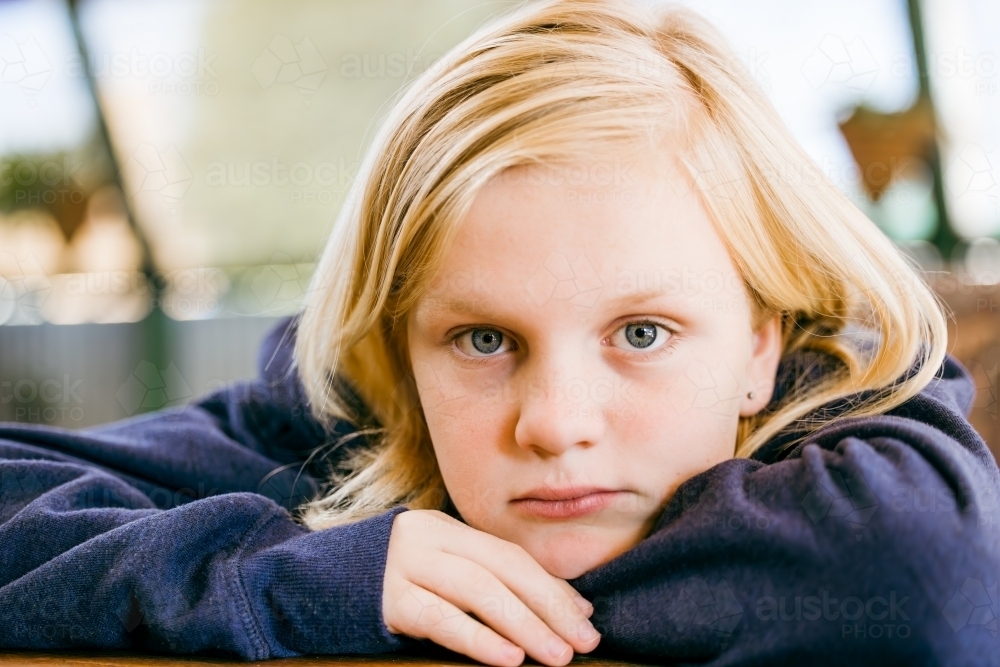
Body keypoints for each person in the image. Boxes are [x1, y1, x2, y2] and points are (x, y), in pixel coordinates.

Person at [1, 0, 997, 665]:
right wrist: (305, 574)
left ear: (758, 346)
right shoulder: (360, 411)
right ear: (399, 350)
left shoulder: (859, 442)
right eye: (484, 340)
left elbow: (921, 574)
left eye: (641, 333)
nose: (554, 425)